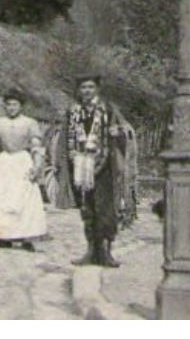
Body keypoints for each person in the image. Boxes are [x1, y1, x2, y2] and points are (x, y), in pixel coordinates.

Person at [67, 73, 128, 268]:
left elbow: (122, 133)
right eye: (83, 87)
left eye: (90, 87)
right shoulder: (74, 112)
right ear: (78, 90)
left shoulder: (107, 110)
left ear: (97, 89)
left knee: (105, 208)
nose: (86, 91)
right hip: (80, 164)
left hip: (104, 164)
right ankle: (91, 251)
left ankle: (106, 252)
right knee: (87, 207)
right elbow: (66, 137)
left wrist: (116, 137)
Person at [0, 88, 46, 251]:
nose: (11, 108)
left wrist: (37, 166)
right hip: (5, 162)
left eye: (15, 104)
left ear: (21, 106)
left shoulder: (29, 123)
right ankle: (3, 235)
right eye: (8, 105)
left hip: (22, 161)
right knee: (3, 198)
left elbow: (36, 146)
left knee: (23, 198)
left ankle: (25, 235)